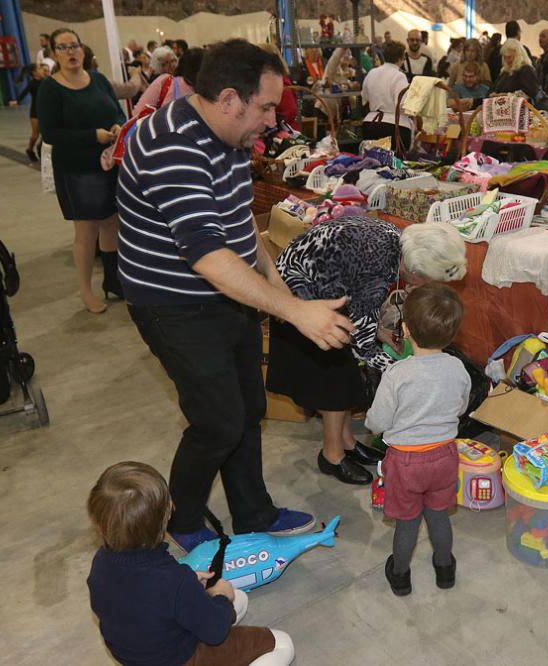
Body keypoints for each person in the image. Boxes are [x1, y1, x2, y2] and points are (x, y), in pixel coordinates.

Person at [117, 39, 353, 552]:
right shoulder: (171, 143)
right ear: (229, 98)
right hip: (172, 303)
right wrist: (292, 311)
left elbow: (237, 219)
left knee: (247, 407)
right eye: (266, 106)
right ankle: (180, 518)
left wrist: (276, 285)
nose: (272, 119)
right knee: (217, 421)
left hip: (228, 293)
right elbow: (206, 254)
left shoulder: (229, 135)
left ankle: (253, 512)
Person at [266, 220, 468, 486]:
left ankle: (346, 441)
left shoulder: (396, 241)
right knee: (337, 380)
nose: (429, 285)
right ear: (417, 272)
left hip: (320, 286)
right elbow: (363, 346)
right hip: (300, 299)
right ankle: (332, 455)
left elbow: (363, 312)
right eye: (431, 280)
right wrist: (409, 367)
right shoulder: (379, 267)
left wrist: (380, 333)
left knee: (343, 376)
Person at [86, 462, 295, 666]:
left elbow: (140, 598)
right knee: (282, 644)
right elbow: (215, 632)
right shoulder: (174, 581)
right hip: (182, 658)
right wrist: (221, 597)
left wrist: (190, 583)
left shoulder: (100, 564)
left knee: (237, 599)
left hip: (135, 657)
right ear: (164, 518)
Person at [366, 284, 470, 597]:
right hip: (444, 456)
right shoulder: (458, 368)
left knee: (408, 523)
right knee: (438, 516)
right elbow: (461, 406)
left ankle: (400, 576)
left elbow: (378, 421)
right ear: (452, 334)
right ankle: (444, 570)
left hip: (406, 462)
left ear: (406, 329)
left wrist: (373, 428)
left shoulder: (398, 373)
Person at [37, 28, 125, 314]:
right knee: (86, 232)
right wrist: (92, 136)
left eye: (74, 45)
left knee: (112, 222)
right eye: (62, 47)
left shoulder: (98, 80)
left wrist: (115, 127)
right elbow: (50, 133)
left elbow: (117, 112)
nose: (71, 51)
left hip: (108, 163)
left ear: (83, 50)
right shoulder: (51, 88)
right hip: (77, 170)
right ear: (53, 55)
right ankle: (85, 291)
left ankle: (114, 280)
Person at [361, 41, 412, 146]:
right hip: (392, 127)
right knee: (393, 162)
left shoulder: (372, 72)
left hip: (370, 124)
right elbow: (402, 103)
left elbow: (364, 96)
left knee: (372, 161)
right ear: (400, 58)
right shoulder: (399, 76)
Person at [133, 47, 204, 115]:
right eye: (166, 63)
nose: (172, 65)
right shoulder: (164, 81)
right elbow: (139, 112)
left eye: (173, 61)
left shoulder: (204, 89)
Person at [9, 62, 50, 161]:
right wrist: (17, 101)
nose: (44, 72)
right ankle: (30, 149)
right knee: (35, 135)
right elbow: (24, 93)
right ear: (35, 72)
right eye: (41, 69)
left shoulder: (47, 82)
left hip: (46, 111)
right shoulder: (32, 83)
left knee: (46, 133)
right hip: (35, 112)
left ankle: (40, 149)